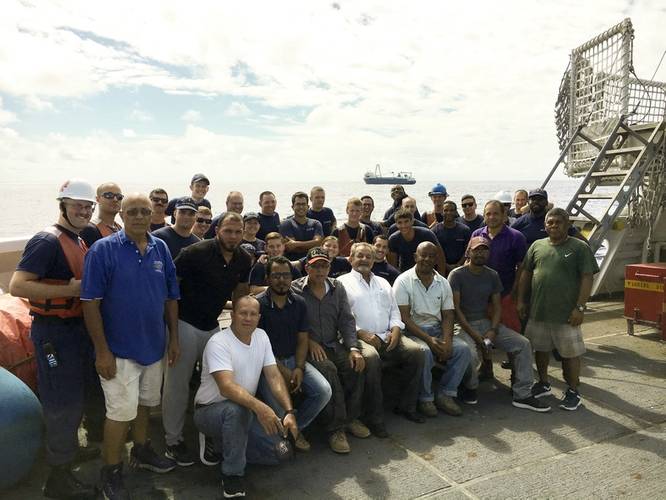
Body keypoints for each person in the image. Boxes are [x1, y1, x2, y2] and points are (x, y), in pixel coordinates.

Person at [81, 193, 181, 499]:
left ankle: (141, 451)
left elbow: (170, 296)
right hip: (118, 351)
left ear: (152, 215)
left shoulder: (160, 247)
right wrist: (101, 351)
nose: (139, 216)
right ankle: (110, 472)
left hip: (154, 346)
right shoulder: (102, 250)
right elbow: (89, 303)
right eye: (132, 212)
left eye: (144, 211)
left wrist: (173, 337)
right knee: (119, 413)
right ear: (121, 216)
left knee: (145, 405)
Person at [9, 179, 101, 499]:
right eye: (78, 204)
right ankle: (58, 479)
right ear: (62, 205)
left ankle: (68, 453)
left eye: (89, 206)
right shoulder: (46, 242)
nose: (84, 210)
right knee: (61, 401)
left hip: (74, 332)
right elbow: (17, 286)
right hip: (53, 336)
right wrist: (69, 291)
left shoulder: (78, 240)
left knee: (74, 396)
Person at [162, 211, 252, 465]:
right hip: (184, 324)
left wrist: (239, 335)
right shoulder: (195, 253)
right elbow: (170, 292)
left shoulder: (244, 259)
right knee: (177, 386)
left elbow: (240, 296)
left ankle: (210, 436)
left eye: (238, 232)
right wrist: (173, 337)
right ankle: (173, 440)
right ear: (217, 231)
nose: (233, 236)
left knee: (218, 383)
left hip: (213, 327)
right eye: (228, 231)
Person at [193, 296, 297, 499]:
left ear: (259, 317)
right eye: (243, 313)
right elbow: (227, 388)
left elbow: (273, 375)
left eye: (252, 314)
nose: (247, 318)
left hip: (246, 410)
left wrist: (288, 412)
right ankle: (232, 473)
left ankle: (228, 444)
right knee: (236, 410)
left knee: (282, 453)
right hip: (210, 411)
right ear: (232, 315)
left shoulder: (261, 336)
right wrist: (263, 409)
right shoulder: (219, 343)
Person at [448, 237, 551, 412]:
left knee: (523, 344)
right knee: (469, 353)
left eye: (484, 250)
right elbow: (456, 309)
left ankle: (523, 394)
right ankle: (470, 387)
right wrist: (474, 335)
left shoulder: (492, 275)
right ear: (468, 252)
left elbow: (497, 306)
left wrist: (493, 330)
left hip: (486, 322)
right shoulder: (457, 275)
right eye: (476, 250)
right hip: (463, 324)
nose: (480, 253)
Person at [338, 243, 426, 431]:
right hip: (360, 338)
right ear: (351, 258)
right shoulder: (342, 283)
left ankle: (406, 406)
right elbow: (344, 317)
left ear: (374, 259)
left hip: (388, 336)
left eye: (368, 257)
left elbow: (395, 311)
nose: (364, 260)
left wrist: (395, 329)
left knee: (416, 352)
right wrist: (362, 333)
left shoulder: (383, 283)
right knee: (371, 358)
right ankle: (374, 417)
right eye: (359, 256)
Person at [518, 208, 599, 411]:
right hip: (539, 311)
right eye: (550, 222)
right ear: (545, 225)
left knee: (570, 354)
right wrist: (521, 300)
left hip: (566, 314)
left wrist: (579, 308)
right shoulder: (537, 246)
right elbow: (526, 273)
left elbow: (587, 277)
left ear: (567, 225)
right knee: (540, 349)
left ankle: (573, 390)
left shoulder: (580, 247)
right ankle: (544, 383)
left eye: (558, 222)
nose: (553, 226)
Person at [291, 247, 367, 453]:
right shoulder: (295, 289)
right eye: (315, 266)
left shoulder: (337, 287)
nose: (320, 271)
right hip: (308, 347)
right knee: (329, 370)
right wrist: (309, 341)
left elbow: (347, 320)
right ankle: (336, 429)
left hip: (333, 343)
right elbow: (292, 323)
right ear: (307, 267)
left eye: (324, 266)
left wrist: (353, 348)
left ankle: (352, 418)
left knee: (356, 364)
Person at [256, 256, 333, 452]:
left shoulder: (298, 302)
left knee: (323, 391)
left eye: (285, 275)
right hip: (268, 366)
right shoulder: (259, 306)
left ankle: (296, 428)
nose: (281, 280)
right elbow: (259, 348)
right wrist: (283, 370)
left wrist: (298, 368)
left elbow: (302, 339)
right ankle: (286, 432)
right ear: (267, 278)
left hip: (294, 360)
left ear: (291, 278)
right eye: (276, 276)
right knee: (281, 408)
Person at [393, 242, 473, 418]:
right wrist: (429, 340)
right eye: (423, 255)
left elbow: (448, 315)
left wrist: (447, 340)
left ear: (436, 259)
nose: (427, 259)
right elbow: (404, 318)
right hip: (412, 330)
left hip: (437, 328)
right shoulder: (403, 281)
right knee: (424, 352)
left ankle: (446, 394)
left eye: (431, 256)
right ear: (416, 257)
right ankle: (425, 398)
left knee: (463, 350)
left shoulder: (442, 282)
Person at [472, 200, 527, 335]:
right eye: (488, 214)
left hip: (505, 294)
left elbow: (522, 268)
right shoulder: (476, 235)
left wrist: (515, 293)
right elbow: (469, 262)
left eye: (496, 213)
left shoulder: (516, 237)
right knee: (484, 334)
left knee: (511, 333)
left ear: (504, 215)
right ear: (484, 215)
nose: (491, 217)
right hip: (481, 297)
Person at [512, 189, 584, 247]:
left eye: (540, 199)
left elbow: (583, 242)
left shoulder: (555, 221)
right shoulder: (520, 222)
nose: (536, 202)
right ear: (528, 202)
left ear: (546, 202)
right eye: (533, 199)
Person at [387, 209, 445, 273]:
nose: (403, 225)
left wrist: (441, 277)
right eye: (400, 222)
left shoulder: (427, 234)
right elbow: (392, 265)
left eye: (406, 221)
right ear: (396, 224)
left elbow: (440, 258)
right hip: (405, 272)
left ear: (412, 221)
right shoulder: (393, 239)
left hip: (427, 270)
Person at [279, 191, 324, 260]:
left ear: (308, 206)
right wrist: (311, 244)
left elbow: (318, 243)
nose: (301, 207)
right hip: (292, 263)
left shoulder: (316, 223)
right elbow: (291, 248)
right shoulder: (286, 224)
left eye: (303, 204)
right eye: (298, 204)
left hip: (314, 263)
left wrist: (296, 244)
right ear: (292, 207)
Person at [432, 201, 471, 274]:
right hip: (441, 270)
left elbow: (468, 250)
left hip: (461, 269)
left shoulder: (465, 230)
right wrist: (446, 266)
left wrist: (458, 265)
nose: (448, 212)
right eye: (446, 210)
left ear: (456, 212)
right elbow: (434, 252)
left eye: (451, 210)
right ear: (441, 212)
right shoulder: (434, 231)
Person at [80, 182, 123, 247]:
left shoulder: (119, 228)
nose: (115, 199)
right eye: (109, 195)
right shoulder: (89, 230)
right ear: (97, 199)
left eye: (119, 197)